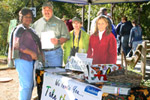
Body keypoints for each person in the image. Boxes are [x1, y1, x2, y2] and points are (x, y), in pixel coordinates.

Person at [8, 8, 43, 100]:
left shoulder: (30, 29)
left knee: (30, 85)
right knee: (26, 85)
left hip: (31, 60)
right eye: (26, 17)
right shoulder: (19, 29)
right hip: (22, 59)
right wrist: (31, 52)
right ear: (21, 18)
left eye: (30, 17)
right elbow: (18, 45)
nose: (28, 19)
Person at [32, 1, 70, 67]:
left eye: (48, 9)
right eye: (44, 9)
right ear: (42, 11)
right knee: (41, 75)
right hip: (41, 54)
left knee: (55, 75)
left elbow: (66, 36)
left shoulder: (60, 22)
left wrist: (58, 41)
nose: (46, 12)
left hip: (55, 54)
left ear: (52, 10)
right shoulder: (36, 24)